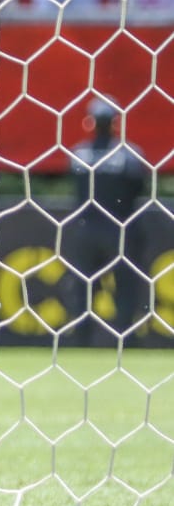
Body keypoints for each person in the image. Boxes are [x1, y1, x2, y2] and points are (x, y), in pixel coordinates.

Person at [62, 98, 150, 344]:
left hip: (85, 228)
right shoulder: (129, 155)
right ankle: (125, 338)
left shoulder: (79, 155)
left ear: (89, 123)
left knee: (83, 287)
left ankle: (81, 340)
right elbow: (138, 188)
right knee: (125, 287)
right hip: (120, 229)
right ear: (116, 123)